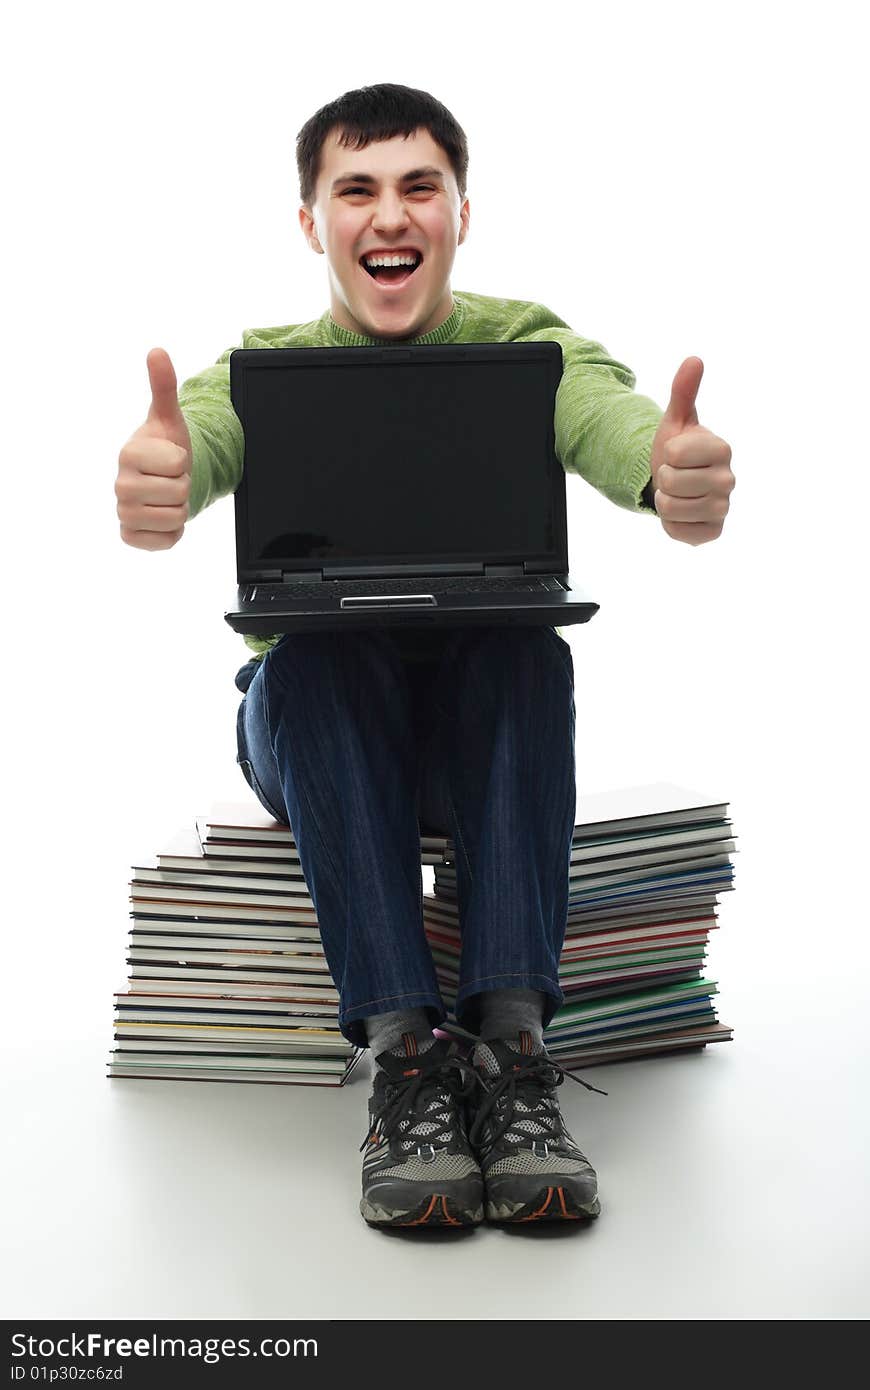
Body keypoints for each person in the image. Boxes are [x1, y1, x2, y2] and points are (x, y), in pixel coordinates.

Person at [115, 82, 735, 1229]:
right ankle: (407, 1061)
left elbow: (615, 427)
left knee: (526, 653)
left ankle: (509, 1054)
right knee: (316, 657)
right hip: (311, 725)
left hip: (472, 731)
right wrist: (164, 481)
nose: (388, 215)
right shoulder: (260, 365)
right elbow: (195, 441)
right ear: (313, 221)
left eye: (418, 187)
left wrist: (668, 474)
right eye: (356, 189)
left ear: (459, 210)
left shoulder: (529, 347)